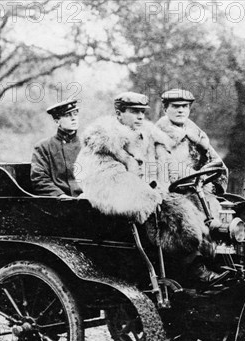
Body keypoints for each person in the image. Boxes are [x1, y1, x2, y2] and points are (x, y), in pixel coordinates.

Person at [75, 92, 227, 286]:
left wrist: (198, 177)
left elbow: (171, 166)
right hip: (125, 210)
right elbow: (108, 180)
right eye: (134, 112)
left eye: (142, 112)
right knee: (178, 213)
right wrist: (148, 196)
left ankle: (210, 260)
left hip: (156, 197)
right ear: (119, 114)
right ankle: (194, 269)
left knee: (201, 203)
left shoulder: (151, 136)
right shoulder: (104, 143)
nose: (140, 117)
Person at [156, 89, 228, 196]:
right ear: (165, 109)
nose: (181, 110)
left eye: (185, 106)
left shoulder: (197, 136)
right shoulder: (157, 135)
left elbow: (218, 165)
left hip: (199, 190)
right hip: (171, 193)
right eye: (175, 106)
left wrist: (206, 178)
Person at [31, 99, 82, 197]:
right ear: (57, 121)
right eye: (67, 115)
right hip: (58, 203)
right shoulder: (43, 147)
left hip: (86, 201)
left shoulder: (86, 145)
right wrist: (60, 195)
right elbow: (39, 179)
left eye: (75, 114)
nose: (73, 118)